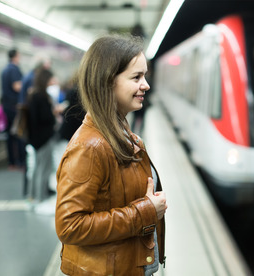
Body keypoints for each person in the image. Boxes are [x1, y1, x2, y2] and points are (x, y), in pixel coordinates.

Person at [55, 34, 167, 276]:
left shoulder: (121, 135)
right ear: (107, 82)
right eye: (136, 77)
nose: (145, 84)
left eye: (145, 76)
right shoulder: (90, 147)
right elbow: (69, 226)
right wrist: (145, 210)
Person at [26, 68, 58, 207]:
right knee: (44, 168)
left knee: (37, 167)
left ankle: (32, 196)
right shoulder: (42, 97)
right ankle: (41, 197)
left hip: (35, 138)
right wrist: (53, 113)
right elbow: (46, 117)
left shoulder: (33, 95)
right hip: (44, 138)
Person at [0, 48, 25, 170]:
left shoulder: (5, 69)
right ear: (15, 56)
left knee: (9, 134)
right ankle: (21, 161)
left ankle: (12, 162)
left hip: (6, 106)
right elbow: (17, 86)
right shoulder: (14, 69)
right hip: (14, 106)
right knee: (18, 133)